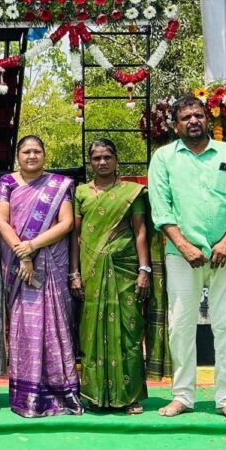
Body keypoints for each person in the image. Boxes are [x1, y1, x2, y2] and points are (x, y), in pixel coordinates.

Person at [148, 96, 226, 421]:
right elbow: (160, 205)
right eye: (185, 117)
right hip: (182, 254)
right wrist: (182, 244)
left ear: (207, 119)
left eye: (198, 115)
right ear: (176, 124)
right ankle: (183, 396)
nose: (193, 120)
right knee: (181, 325)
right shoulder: (164, 158)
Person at [0, 135, 83, 418]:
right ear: (17, 155)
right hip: (18, 264)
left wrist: (32, 246)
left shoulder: (59, 185)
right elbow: (0, 222)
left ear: (44, 154)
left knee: (55, 325)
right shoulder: (7, 183)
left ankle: (61, 394)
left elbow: (67, 223)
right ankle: (27, 396)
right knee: (25, 326)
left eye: (37, 151)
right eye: (26, 151)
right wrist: (23, 254)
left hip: (50, 264)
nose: (31, 156)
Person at [69, 139, 154, 413]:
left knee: (128, 331)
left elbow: (141, 231)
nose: (102, 162)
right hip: (91, 270)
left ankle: (130, 396)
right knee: (91, 333)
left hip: (125, 268)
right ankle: (94, 395)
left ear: (117, 160)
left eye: (107, 156)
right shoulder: (80, 192)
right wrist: (75, 273)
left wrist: (144, 270)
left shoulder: (132, 192)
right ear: (90, 162)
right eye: (96, 158)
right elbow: (76, 235)